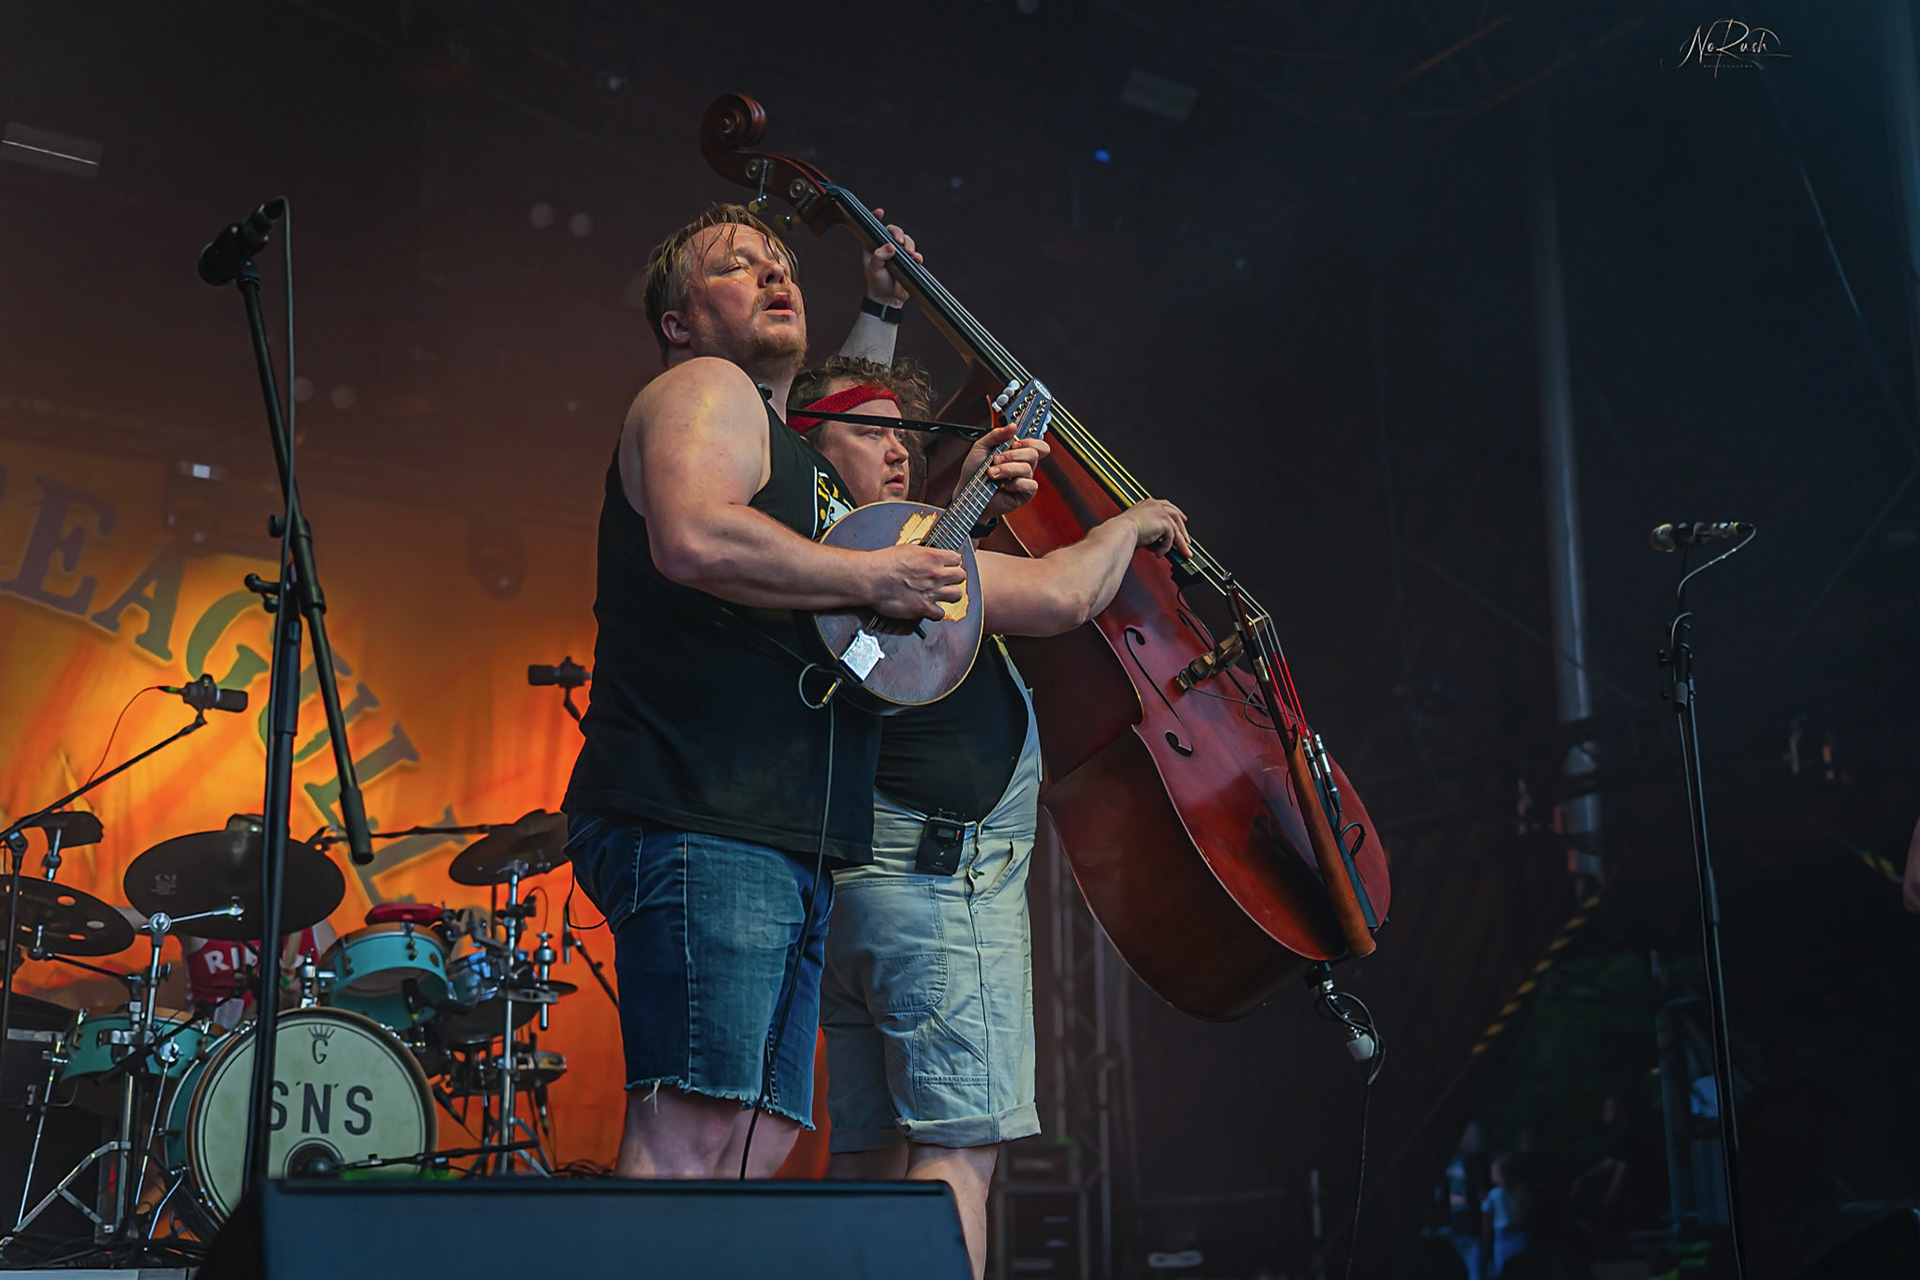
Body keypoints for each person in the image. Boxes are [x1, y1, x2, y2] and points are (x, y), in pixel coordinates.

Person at [560, 203, 1044, 1180]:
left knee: (757, 1137)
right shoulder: (703, 388)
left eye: (781, 260)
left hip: (776, 832)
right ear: (678, 322)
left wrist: (966, 506)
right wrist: (873, 576)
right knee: (698, 1132)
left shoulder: (796, 462)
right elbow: (693, 535)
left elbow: (863, 568)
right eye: (736, 266)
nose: (775, 271)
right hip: (702, 809)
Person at [788, 356, 1188, 1278]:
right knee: (960, 1152)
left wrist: (962, 496)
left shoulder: (802, 560)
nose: (898, 450)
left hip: (854, 890)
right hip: (938, 892)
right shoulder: (879, 556)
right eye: (870, 433)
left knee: (871, 1153)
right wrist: (1127, 521)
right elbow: (1062, 594)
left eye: (905, 434)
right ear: (811, 448)